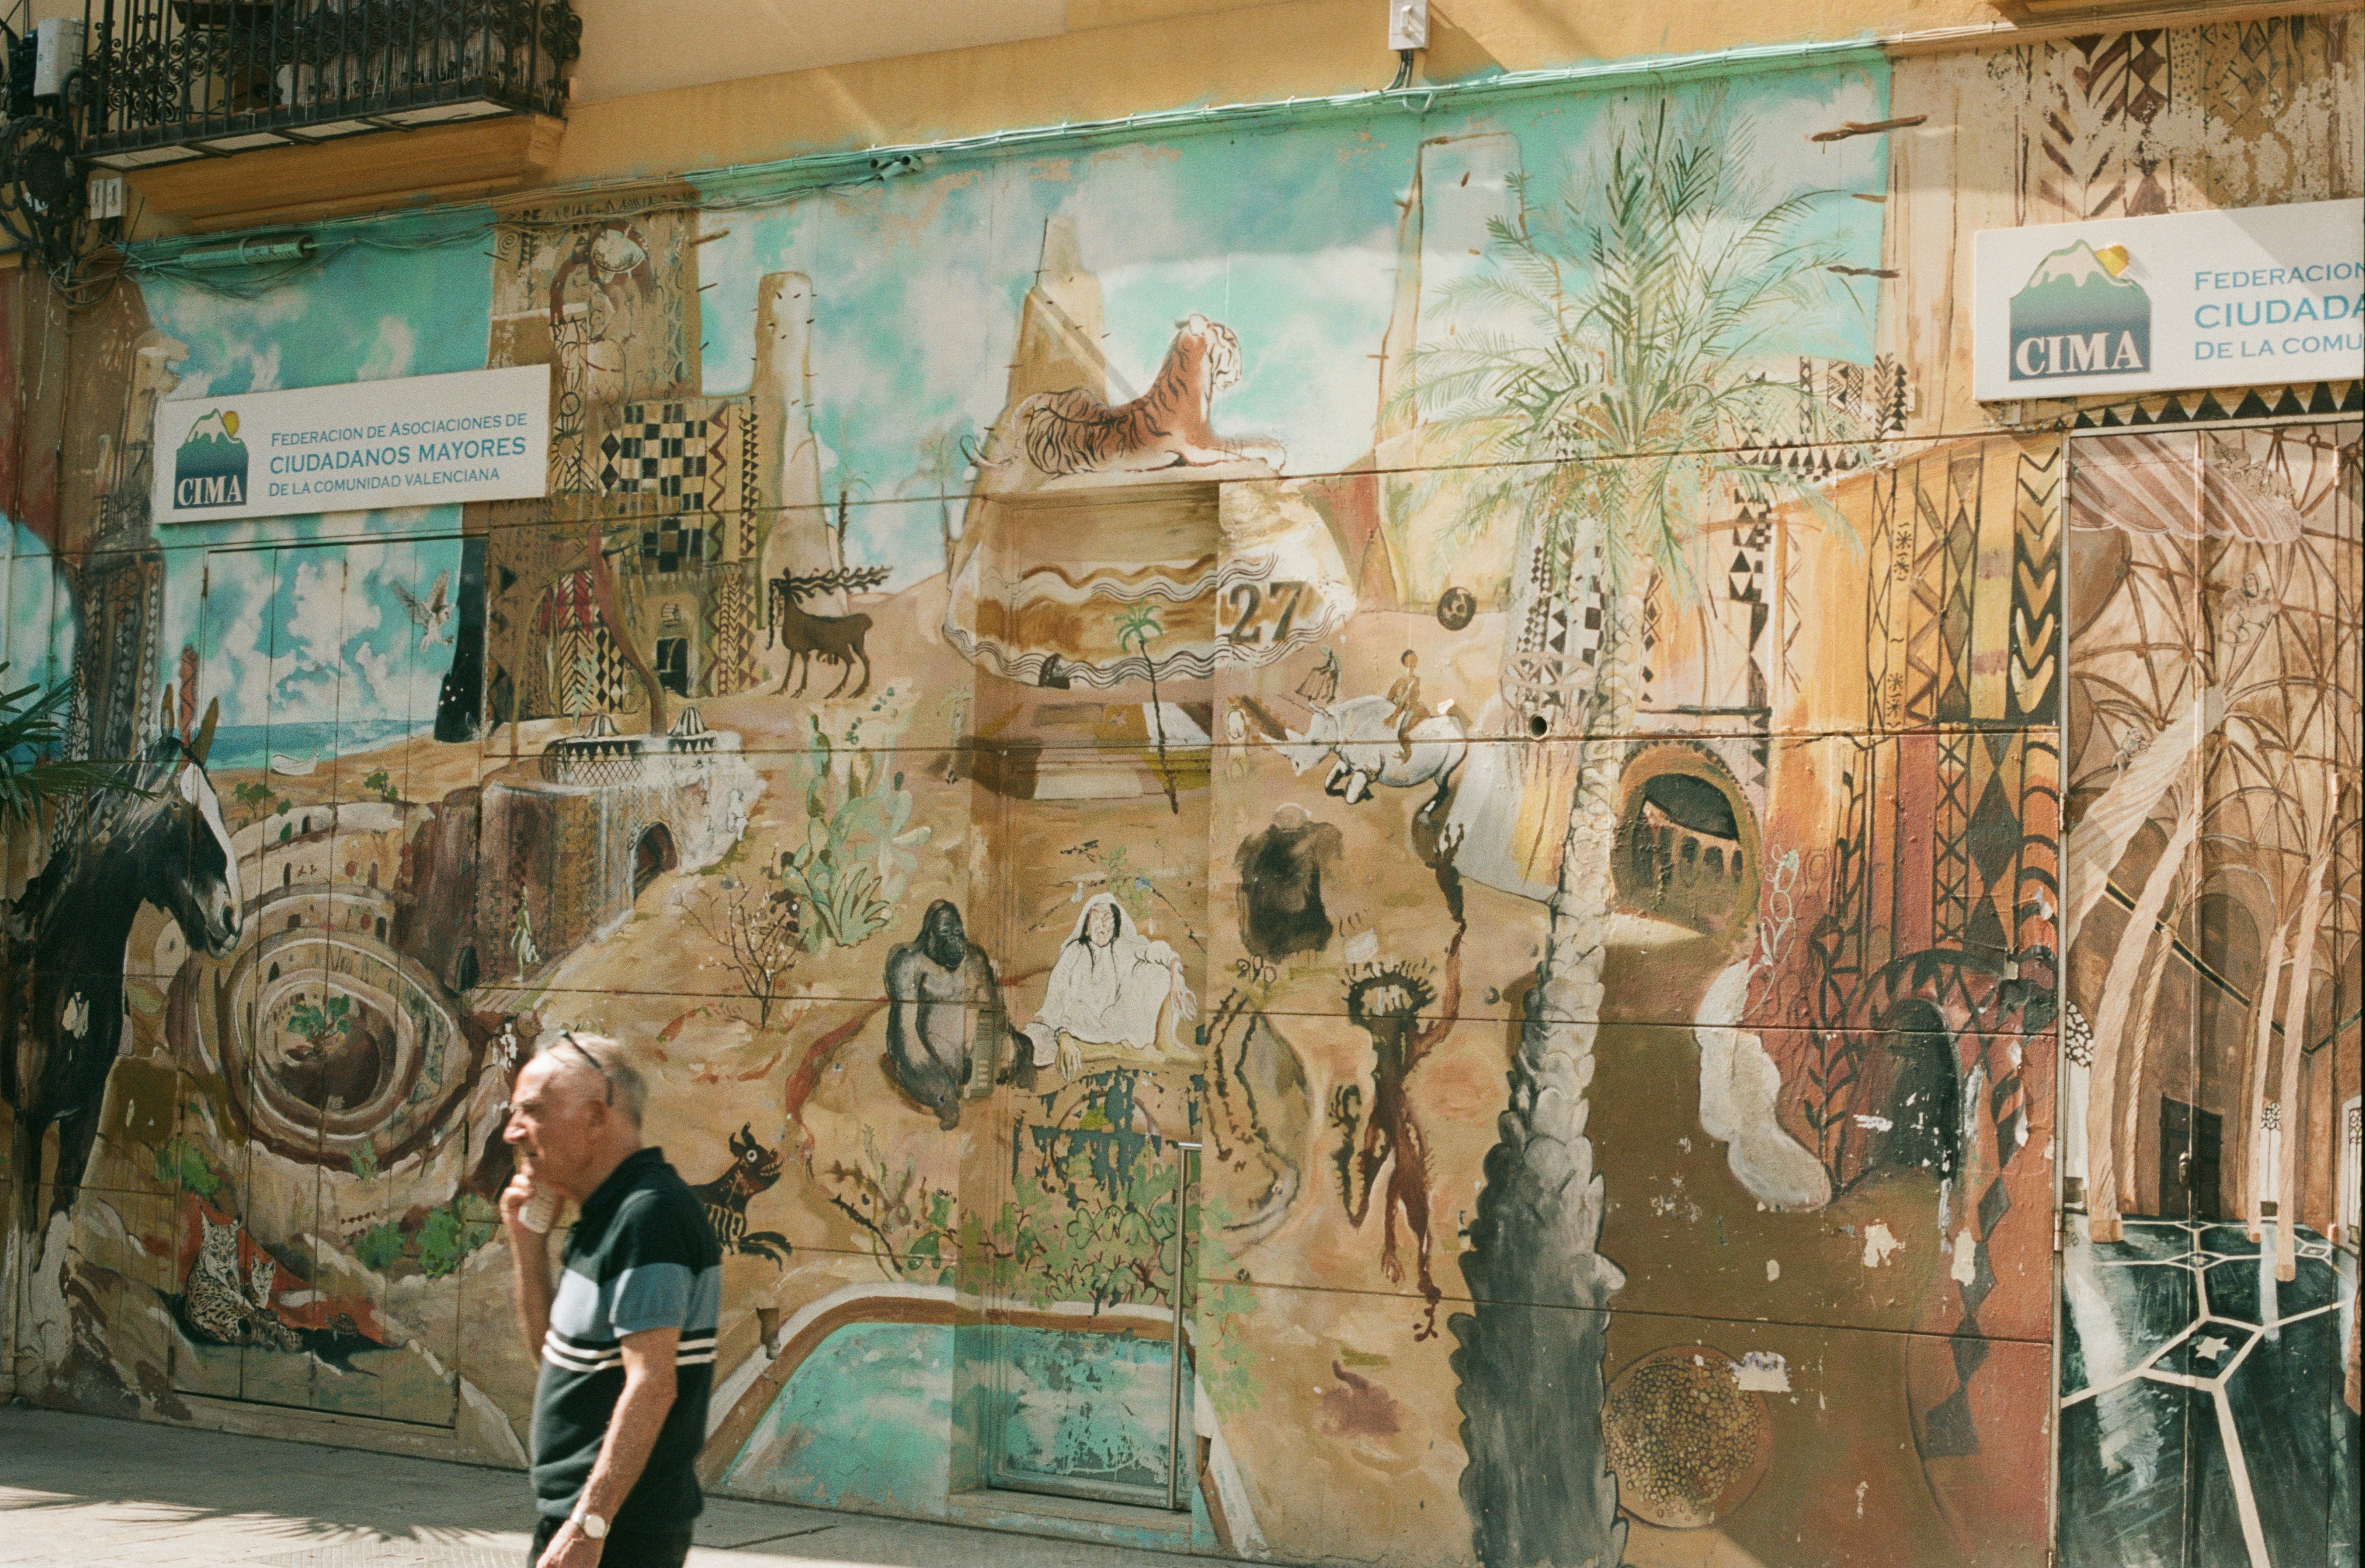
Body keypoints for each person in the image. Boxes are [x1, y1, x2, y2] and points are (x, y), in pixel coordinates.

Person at [502, 1031, 720, 1568]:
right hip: (584, 1520)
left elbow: (652, 1386)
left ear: (597, 1118)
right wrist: (529, 1247)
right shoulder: (603, 1216)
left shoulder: (650, 1216)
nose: (512, 1131)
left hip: (620, 1532)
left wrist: (590, 1524)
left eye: (532, 1111)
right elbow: (555, 1362)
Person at [1021, 892, 1198, 1072]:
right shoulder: (1074, 952)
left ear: (1116, 925)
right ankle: (1116, 1051)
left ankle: (1163, 1042)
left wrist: (1175, 967)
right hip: (1075, 1027)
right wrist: (1063, 1035)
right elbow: (1055, 1001)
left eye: (1108, 919)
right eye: (1096, 918)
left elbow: (1150, 951)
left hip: (1113, 1025)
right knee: (1036, 1044)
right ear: (1087, 926)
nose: (1103, 925)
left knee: (1158, 972)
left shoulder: (1121, 948)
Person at [1385, 649, 1425, 761]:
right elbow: (1389, 698)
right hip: (1401, 709)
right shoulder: (1400, 681)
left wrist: (1395, 716)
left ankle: (1408, 755)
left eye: (1415, 660)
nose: (1414, 662)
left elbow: (1404, 699)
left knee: (1403, 731)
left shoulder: (1415, 680)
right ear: (1406, 663)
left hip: (1414, 709)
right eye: (1411, 660)